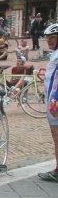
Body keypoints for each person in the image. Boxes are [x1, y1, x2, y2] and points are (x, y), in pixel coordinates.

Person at [38, 23, 58, 182]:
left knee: (57, 136)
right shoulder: (55, 54)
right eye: (47, 38)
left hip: (54, 103)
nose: (49, 40)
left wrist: (55, 99)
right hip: (52, 100)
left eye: (52, 37)